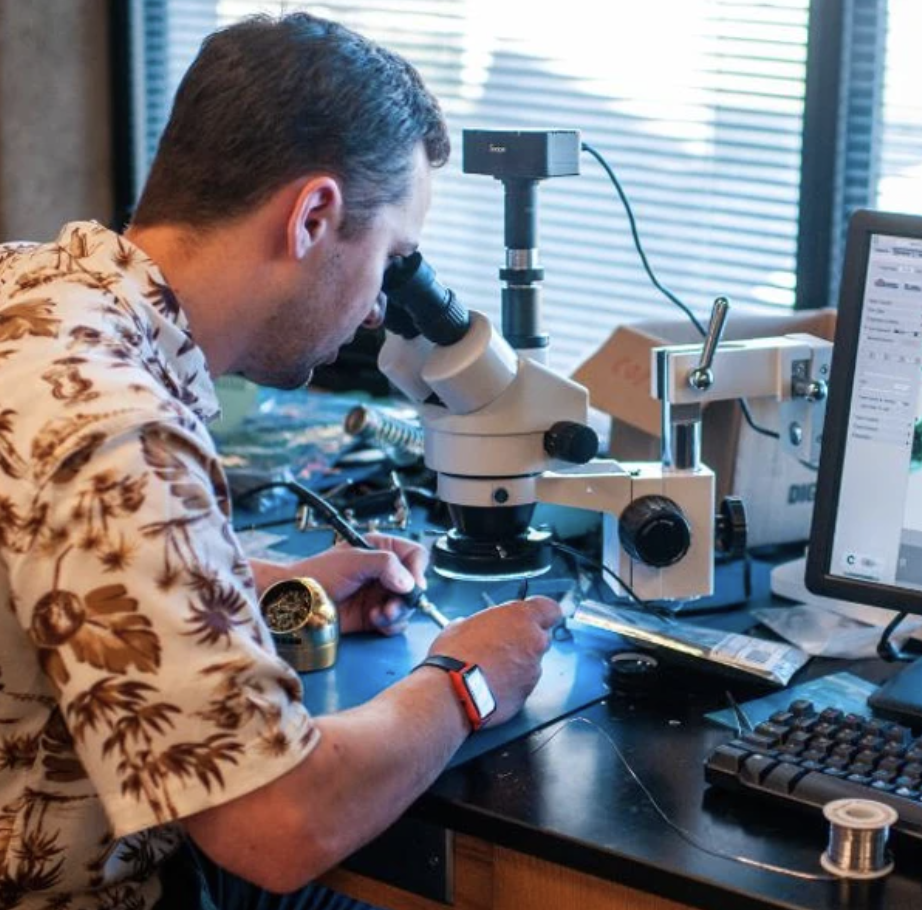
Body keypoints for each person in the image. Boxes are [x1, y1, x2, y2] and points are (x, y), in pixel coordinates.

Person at [0, 12, 562, 910]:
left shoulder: (34, 290)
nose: (381, 309)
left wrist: (245, 583)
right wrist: (468, 679)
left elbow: (49, 564)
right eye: (391, 260)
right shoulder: (121, 425)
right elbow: (278, 825)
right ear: (312, 217)